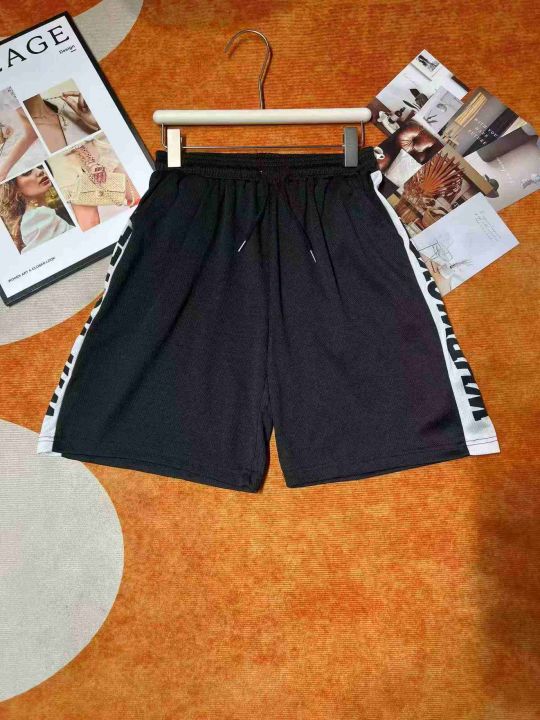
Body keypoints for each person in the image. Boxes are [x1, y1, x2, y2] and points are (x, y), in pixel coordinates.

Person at [0, 166, 73, 253]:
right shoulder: (36, 217)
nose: (40, 171)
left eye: (40, 167)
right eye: (27, 172)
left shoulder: (42, 214)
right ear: (16, 189)